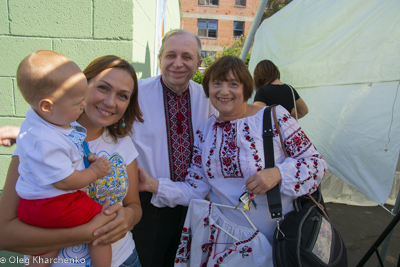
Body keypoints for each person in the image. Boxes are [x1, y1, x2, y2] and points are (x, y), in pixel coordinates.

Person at [138, 55, 327, 266]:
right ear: (208, 89)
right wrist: (153, 185)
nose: (224, 91)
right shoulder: (205, 131)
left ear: (245, 89)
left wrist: (278, 174)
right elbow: (195, 190)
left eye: (233, 84)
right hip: (226, 244)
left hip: (277, 238)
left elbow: (316, 164)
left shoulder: (274, 117)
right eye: (217, 83)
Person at [0, 55, 143, 267]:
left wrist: (128, 218)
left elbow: (134, 205)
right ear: (82, 85)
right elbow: (5, 234)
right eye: (103, 88)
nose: (110, 102)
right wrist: (84, 233)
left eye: (122, 96)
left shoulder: (123, 144)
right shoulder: (38, 143)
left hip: (123, 259)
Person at [14, 50, 113, 267]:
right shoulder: (46, 141)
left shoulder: (40, 121)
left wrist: (86, 156)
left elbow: (69, 143)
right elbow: (65, 181)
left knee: (49, 246)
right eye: (77, 103)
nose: (82, 106)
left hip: (31, 205)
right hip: (53, 205)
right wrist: (95, 172)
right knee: (103, 225)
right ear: (47, 106)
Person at [131, 29, 217, 267]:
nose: (178, 63)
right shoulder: (135, 94)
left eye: (187, 57)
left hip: (194, 207)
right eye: (171, 55)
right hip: (147, 205)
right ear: (160, 59)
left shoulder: (208, 99)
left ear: (198, 63)